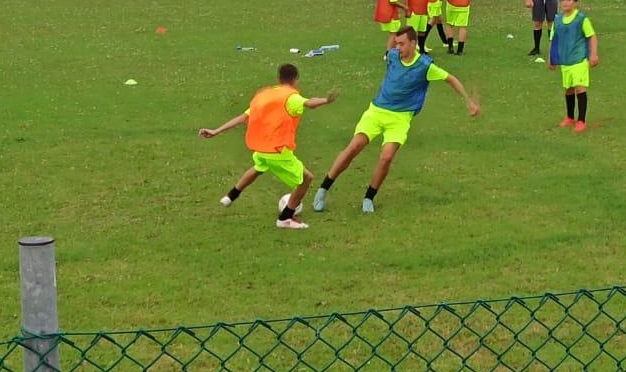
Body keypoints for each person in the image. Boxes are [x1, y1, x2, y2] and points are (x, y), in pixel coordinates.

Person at [312, 25, 479, 215]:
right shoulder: (392, 56)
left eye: (402, 43)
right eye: (396, 43)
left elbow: (451, 79)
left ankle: (368, 197)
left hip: (400, 118)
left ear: (413, 43)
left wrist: (469, 102)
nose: (397, 47)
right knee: (353, 147)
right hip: (376, 110)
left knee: (386, 157)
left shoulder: (425, 66)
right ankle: (322, 190)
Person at [199, 63, 338, 230]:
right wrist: (326, 100)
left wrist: (216, 131)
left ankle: (230, 196)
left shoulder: (264, 96)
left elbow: (242, 117)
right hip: (277, 150)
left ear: (278, 79)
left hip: (262, 148)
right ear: (295, 80)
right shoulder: (291, 97)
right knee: (306, 179)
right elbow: (309, 103)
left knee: (258, 167)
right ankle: (285, 218)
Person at [548, 0, 598, 132]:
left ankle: (581, 121)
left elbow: (592, 36)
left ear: (575, 3)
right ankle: (570, 118)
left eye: (569, 0)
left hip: (579, 59)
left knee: (579, 88)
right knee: (568, 89)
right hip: (565, 60)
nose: (566, 2)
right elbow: (553, 39)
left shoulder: (581, 19)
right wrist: (551, 58)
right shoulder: (557, 20)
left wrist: (594, 55)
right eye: (563, 0)